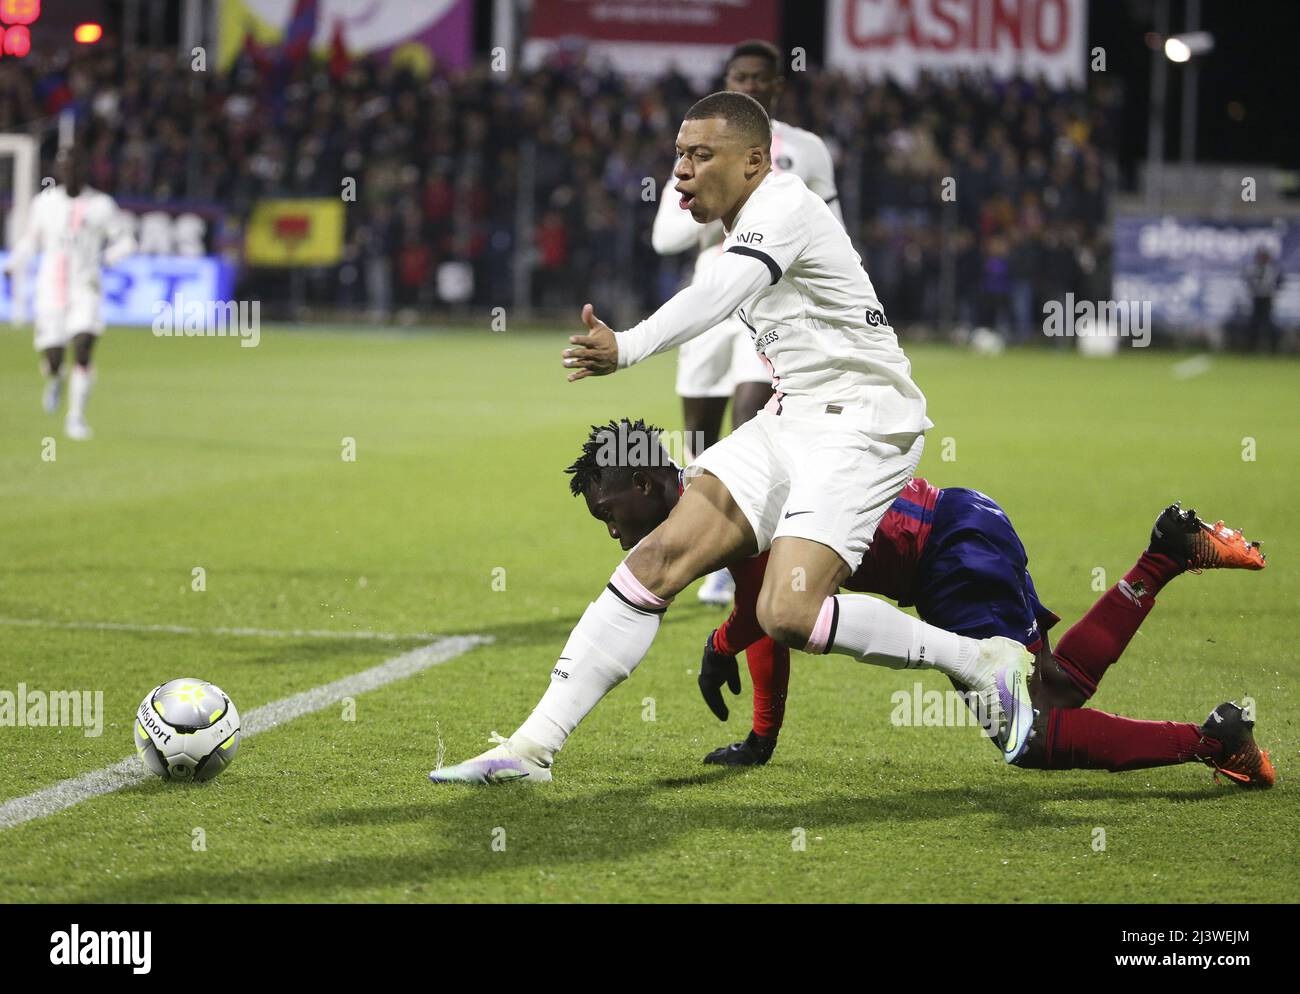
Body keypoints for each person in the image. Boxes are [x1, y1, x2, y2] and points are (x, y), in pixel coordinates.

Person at [430, 92, 1036, 786]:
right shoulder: (742, 223)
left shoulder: (785, 205)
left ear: (755, 159)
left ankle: (979, 659)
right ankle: (529, 748)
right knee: (654, 560)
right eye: (679, 156)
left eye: (701, 155)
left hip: (865, 422)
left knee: (787, 612)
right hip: (796, 415)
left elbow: (716, 294)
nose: (682, 171)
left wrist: (626, 347)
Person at [563, 418, 1272, 788]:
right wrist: (755, 724)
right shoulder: (723, 482)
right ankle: (1165, 555)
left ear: (653, 482)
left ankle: (1213, 741)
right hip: (960, 527)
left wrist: (728, 663)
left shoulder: (721, 505)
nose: (615, 532)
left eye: (611, 513)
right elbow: (769, 618)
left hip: (946, 555)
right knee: (1053, 689)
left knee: (1029, 736)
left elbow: (767, 618)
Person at [652, 41, 842, 606]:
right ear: (728, 78)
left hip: (772, 300)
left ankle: (741, 557)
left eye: (762, 77)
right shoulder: (703, 148)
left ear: (778, 85)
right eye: (741, 75)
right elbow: (665, 237)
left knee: (753, 415)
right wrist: (719, 200)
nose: (752, 84)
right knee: (697, 428)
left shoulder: (805, 150)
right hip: (709, 298)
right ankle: (701, 542)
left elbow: (832, 226)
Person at [4, 146, 135, 440]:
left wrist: (106, 258)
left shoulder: (101, 205)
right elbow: (30, 240)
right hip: (50, 288)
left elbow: (127, 241)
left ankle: (75, 418)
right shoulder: (44, 203)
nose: (69, 173)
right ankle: (55, 378)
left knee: (84, 345)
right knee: (54, 357)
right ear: (58, 172)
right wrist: (12, 264)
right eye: (64, 168)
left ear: (83, 170)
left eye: (74, 167)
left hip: (85, 287)